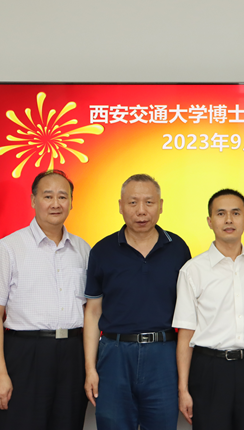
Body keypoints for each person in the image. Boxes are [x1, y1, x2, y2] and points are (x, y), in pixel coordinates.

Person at [0, 170, 90, 430]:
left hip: (73, 353)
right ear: (33, 200)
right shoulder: (8, 247)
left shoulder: (83, 249)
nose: (55, 203)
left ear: (71, 202)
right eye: (47, 196)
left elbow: (91, 310)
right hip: (25, 353)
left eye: (62, 197)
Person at [83, 174, 191, 430]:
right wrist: (90, 368)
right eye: (133, 202)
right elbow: (93, 312)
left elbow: (189, 314)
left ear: (161, 206)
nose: (141, 211)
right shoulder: (102, 250)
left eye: (149, 202)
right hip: (114, 354)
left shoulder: (178, 249)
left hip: (163, 354)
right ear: (120, 206)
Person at [173, 189, 244, 430]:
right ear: (210, 221)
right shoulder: (192, 270)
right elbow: (185, 335)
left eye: (235, 213)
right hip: (209, 370)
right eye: (221, 214)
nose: (229, 220)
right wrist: (183, 389)